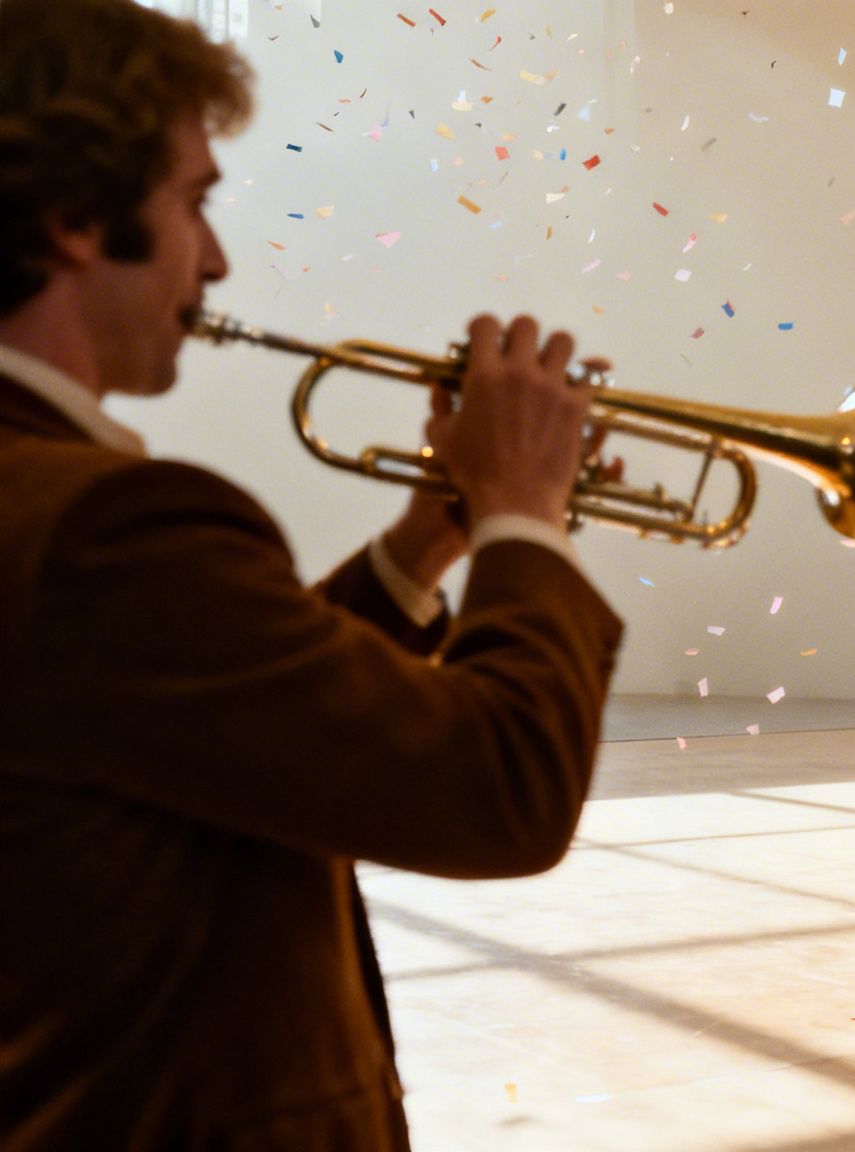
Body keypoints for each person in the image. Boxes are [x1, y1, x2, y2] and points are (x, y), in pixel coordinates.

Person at [0, 1, 623, 1147]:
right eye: (193, 201)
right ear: (78, 217)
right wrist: (526, 515)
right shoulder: (104, 528)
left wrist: (428, 539)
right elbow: (500, 790)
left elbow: (231, 712)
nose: (220, 257)